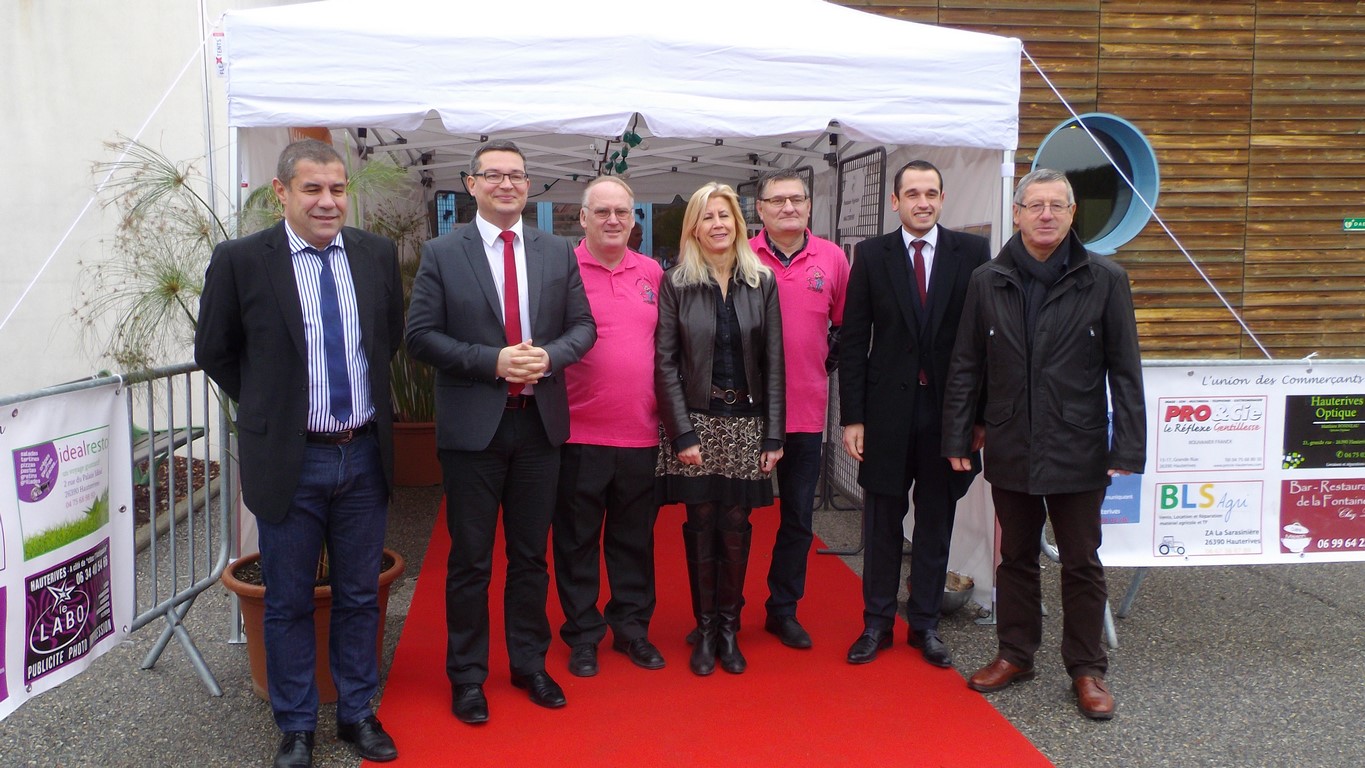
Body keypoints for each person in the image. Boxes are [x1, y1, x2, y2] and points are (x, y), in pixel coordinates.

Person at [195, 139, 402, 768]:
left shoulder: (375, 254)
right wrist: (268, 411)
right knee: (285, 599)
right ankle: (295, 727)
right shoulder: (241, 261)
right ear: (281, 192)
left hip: (362, 453)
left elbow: (385, 340)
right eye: (312, 189)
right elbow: (215, 350)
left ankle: (357, 714)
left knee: (360, 593)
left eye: (337, 189)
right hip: (291, 458)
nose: (328, 201)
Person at [942, 168, 1146, 721]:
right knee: (1016, 558)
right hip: (1011, 441)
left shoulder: (1105, 279)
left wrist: (1127, 448)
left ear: (1073, 213)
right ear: (1017, 213)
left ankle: (1086, 668)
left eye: (1058, 205)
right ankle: (1015, 654)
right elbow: (966, 364)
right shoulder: (988, 279)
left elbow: (1125, 371)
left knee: (1081, 560)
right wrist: (959, 433)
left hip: (1078, 445)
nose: (1046, 215)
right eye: (1035, 205)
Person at [405, 140, 596, 725]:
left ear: (527, 184)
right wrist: (492, 361)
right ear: (471, 183)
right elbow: (420, 336)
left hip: (539, 426)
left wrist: (550, 356)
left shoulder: (557, 250)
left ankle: (528, 663)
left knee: (530, 556)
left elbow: (584, 326)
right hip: (473, 430)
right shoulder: (442, 252)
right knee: (469, 561)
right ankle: (467, 676)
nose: (506, 184)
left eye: (516, 175)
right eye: (494, 175)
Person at [839, 160, 989, 669]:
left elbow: (982, 342)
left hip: (949, 418)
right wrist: (852, 417)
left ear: (942, 200)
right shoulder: (872, 255)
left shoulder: (971, 253)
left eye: (932, 193)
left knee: (935, 522)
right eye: (913, 193)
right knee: (882, 522)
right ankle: (877, 622)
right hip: (884, 415)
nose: (923, 201)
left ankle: (924, 624)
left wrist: (978, 419)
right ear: (895, 201)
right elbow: (855, 339)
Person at [655, 182, 784, 676]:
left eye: (725, 216)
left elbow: (774, 360)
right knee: (700, 524)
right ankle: (704, 628)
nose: (717, 225)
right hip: (697, 423)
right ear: (694, 226)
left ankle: (731, 627)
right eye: (707, 217)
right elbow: (664, 363)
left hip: (747, 425)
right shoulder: (677, 283)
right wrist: (682, 433)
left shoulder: (763, 282)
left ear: (740, 224)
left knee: (736, 526)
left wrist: (774, 435)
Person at [552, 177, 667, 677]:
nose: (614, 220)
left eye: (622, 211)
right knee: (576, 541)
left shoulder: (653, 273)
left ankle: (632, 629)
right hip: (577, 434)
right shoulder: (560, 272)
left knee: (634, 539)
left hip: (641, 433)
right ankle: (582, 634)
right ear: (583, 218)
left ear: (633, 217)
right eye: (602, 212)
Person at [748, 169, 849, 649]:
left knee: (797, 520)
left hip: (805, 414)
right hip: (743, 415)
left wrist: (822, 363)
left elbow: (848, 327)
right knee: (732, 517)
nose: (788, 208)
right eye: (777, 200)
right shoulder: (739, 255)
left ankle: (782, 609)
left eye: (796, 199)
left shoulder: (831, 258)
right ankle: (724, 610)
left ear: (809, 206)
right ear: (760, 209)